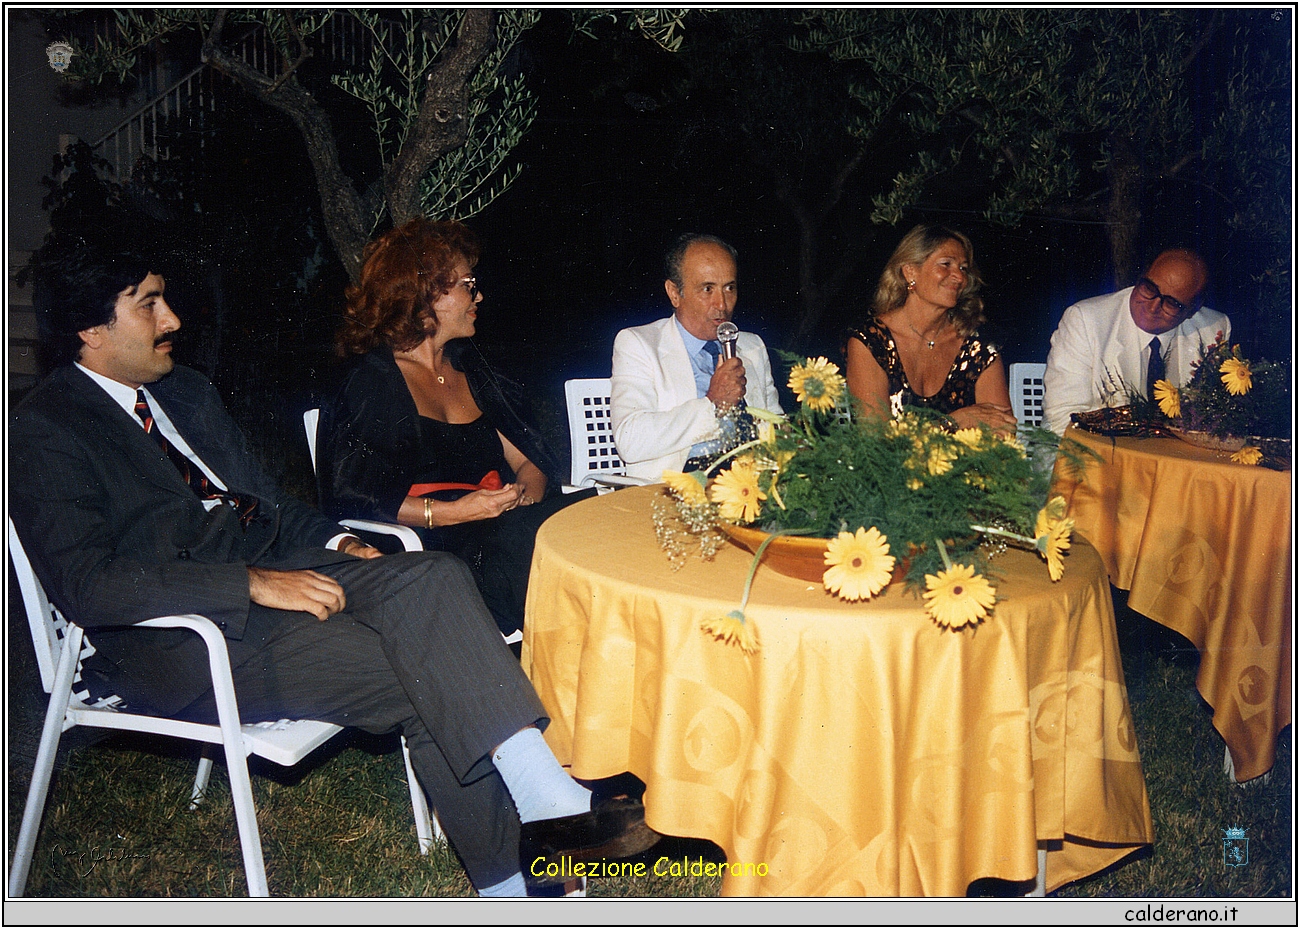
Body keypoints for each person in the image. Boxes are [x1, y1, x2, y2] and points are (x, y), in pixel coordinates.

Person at [9, 238, 656, 896]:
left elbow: (272, 503)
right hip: (184, 639)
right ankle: (524, 870)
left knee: (431, 580)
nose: (172, 319)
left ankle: (540, 818)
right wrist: (251, 582)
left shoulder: (185, 393)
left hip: (282, 576)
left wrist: (343, 545)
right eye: (148, 305)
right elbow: (87, 583)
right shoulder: (47, 429)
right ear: (92, 327)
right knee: (432, 673)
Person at [318, 218, 590, 643]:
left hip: (501, 532)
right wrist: (458, 511)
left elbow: (527, 458)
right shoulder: (372, 380)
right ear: (425, 295)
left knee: (585, 517)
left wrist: (524, 497)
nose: (478, 295)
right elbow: (354, 494)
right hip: (431, 550)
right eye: (467, 284)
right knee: (553, 555)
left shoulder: (469, 368)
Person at [610, 233, 782, 481]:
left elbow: (775, 425)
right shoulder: (639, 344)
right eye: (707, 289)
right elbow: (630, 440)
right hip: (677, 488)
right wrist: (713, 403)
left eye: (729, 288)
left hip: (750, 485)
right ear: (674, 293)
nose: (721, 304)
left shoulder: (751, 345)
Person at [844, 224, 1016, 433]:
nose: (959, 277)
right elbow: (875, 441)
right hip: (890, 465)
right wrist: (953, 423)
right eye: (946, 264)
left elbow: (1003, 432)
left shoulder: (977, 344)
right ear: (910, 272)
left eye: (962, 268)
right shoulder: (871, 342)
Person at [1042, 248, 1229, 434]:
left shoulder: (1213, 330)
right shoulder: (1085, 320)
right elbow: (1063, 419)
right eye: (1149, 288)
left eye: (1171, 303)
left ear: (1192, 311)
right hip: (1092, 452)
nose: (1153, 306)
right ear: (1140, 278)